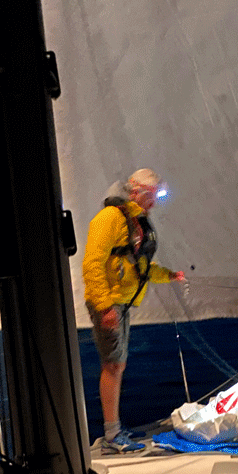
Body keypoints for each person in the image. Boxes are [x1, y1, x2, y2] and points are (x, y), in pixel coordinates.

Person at [83, 168, 186, 451]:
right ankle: (111, 435)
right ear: (138, 192)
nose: (155, 203)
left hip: (122, 303)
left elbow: (139, 267)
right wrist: (105, 306)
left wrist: (168, 275)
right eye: (153, 196)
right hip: (110, 302)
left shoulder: (133, 221)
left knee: (117, 364)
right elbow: (92, 264)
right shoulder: (110, 219)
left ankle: (114, 430)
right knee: (113, 365)